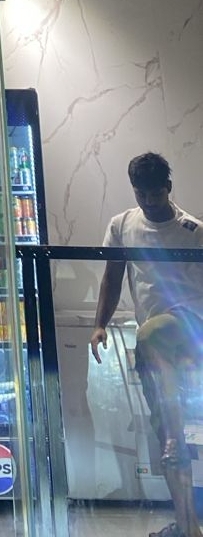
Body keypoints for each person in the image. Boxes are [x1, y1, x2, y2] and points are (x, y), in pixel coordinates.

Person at [91, 152, 203, 537]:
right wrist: (99, 325)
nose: (149, 202)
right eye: (142, 194)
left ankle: (174, 430)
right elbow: (112, 276)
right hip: (155, 351)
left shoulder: (193, 230)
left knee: (151, 333)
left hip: (190, 327)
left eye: (156, 194)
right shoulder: (123, 225)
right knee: (166, 439)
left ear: (168, 188)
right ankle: (187, 527)